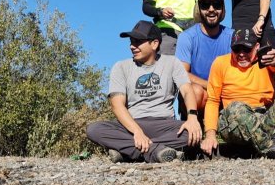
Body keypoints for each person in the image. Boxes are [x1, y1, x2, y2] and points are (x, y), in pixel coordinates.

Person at [86, 21, 202, 163]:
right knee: (94, 129)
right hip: (132, 124)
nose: (132, 46)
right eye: (131, 42)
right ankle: (155, 151)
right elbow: (117, 105)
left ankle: (128, 152)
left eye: (138, 42)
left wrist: (192, 118)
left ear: (154, 44)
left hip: (164, 124)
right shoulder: (121, 67)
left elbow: (187, 90)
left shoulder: (172, 63)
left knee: (192, 133)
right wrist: (137, 132)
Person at [200, 29, 275, 159]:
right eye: (236, 49)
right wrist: (210, 135)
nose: (241, 54)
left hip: (264, 117)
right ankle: (274, 147)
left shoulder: (264, 60)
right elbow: (212, 100)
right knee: (236, 108)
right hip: (234, 120)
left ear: (256, 47)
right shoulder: (220, 63)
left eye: (246, 49)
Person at [175, 0, 233, 113]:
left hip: (225, 91)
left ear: (222, 9)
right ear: (198, 9)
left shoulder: (232, 36)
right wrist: (211, 86)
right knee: (196, 91)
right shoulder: (187, 37)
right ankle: (194, 125)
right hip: (201, 91)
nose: (211, 9)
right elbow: (182, 73)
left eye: (217, 5)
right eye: (205, 5)